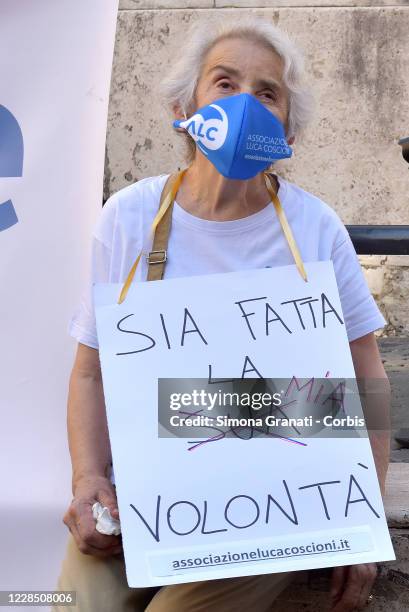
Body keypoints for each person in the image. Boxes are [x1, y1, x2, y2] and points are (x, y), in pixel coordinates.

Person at [53, 15, 390, 612]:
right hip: (150, 496)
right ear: (186, 104)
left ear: (288, 126)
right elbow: (91, 370)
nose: (246, 105)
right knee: (80, 604)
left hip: (274, 505)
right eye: (225, 83)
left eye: (268, 93)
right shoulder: (129, 217)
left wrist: (363, 517)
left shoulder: (315, 228)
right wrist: (88, 481)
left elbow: (367, 378)